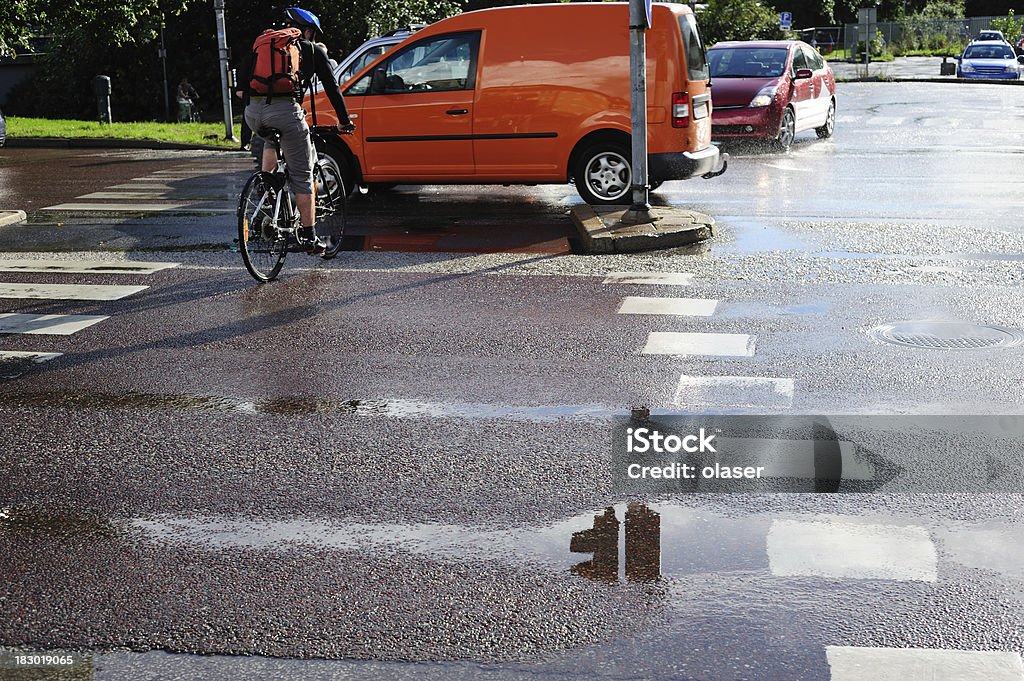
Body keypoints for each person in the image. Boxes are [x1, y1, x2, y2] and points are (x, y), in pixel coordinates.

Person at [237, 7, 353, 252]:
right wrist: (344, 121)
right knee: (302, 176)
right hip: (285, 113)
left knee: (271, 139)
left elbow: (240, 88)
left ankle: (267, 185)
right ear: (308, 31)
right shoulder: (312, 50)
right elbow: (333, 89)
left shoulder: (264, 43)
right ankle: (310, 236)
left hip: (253, 114)